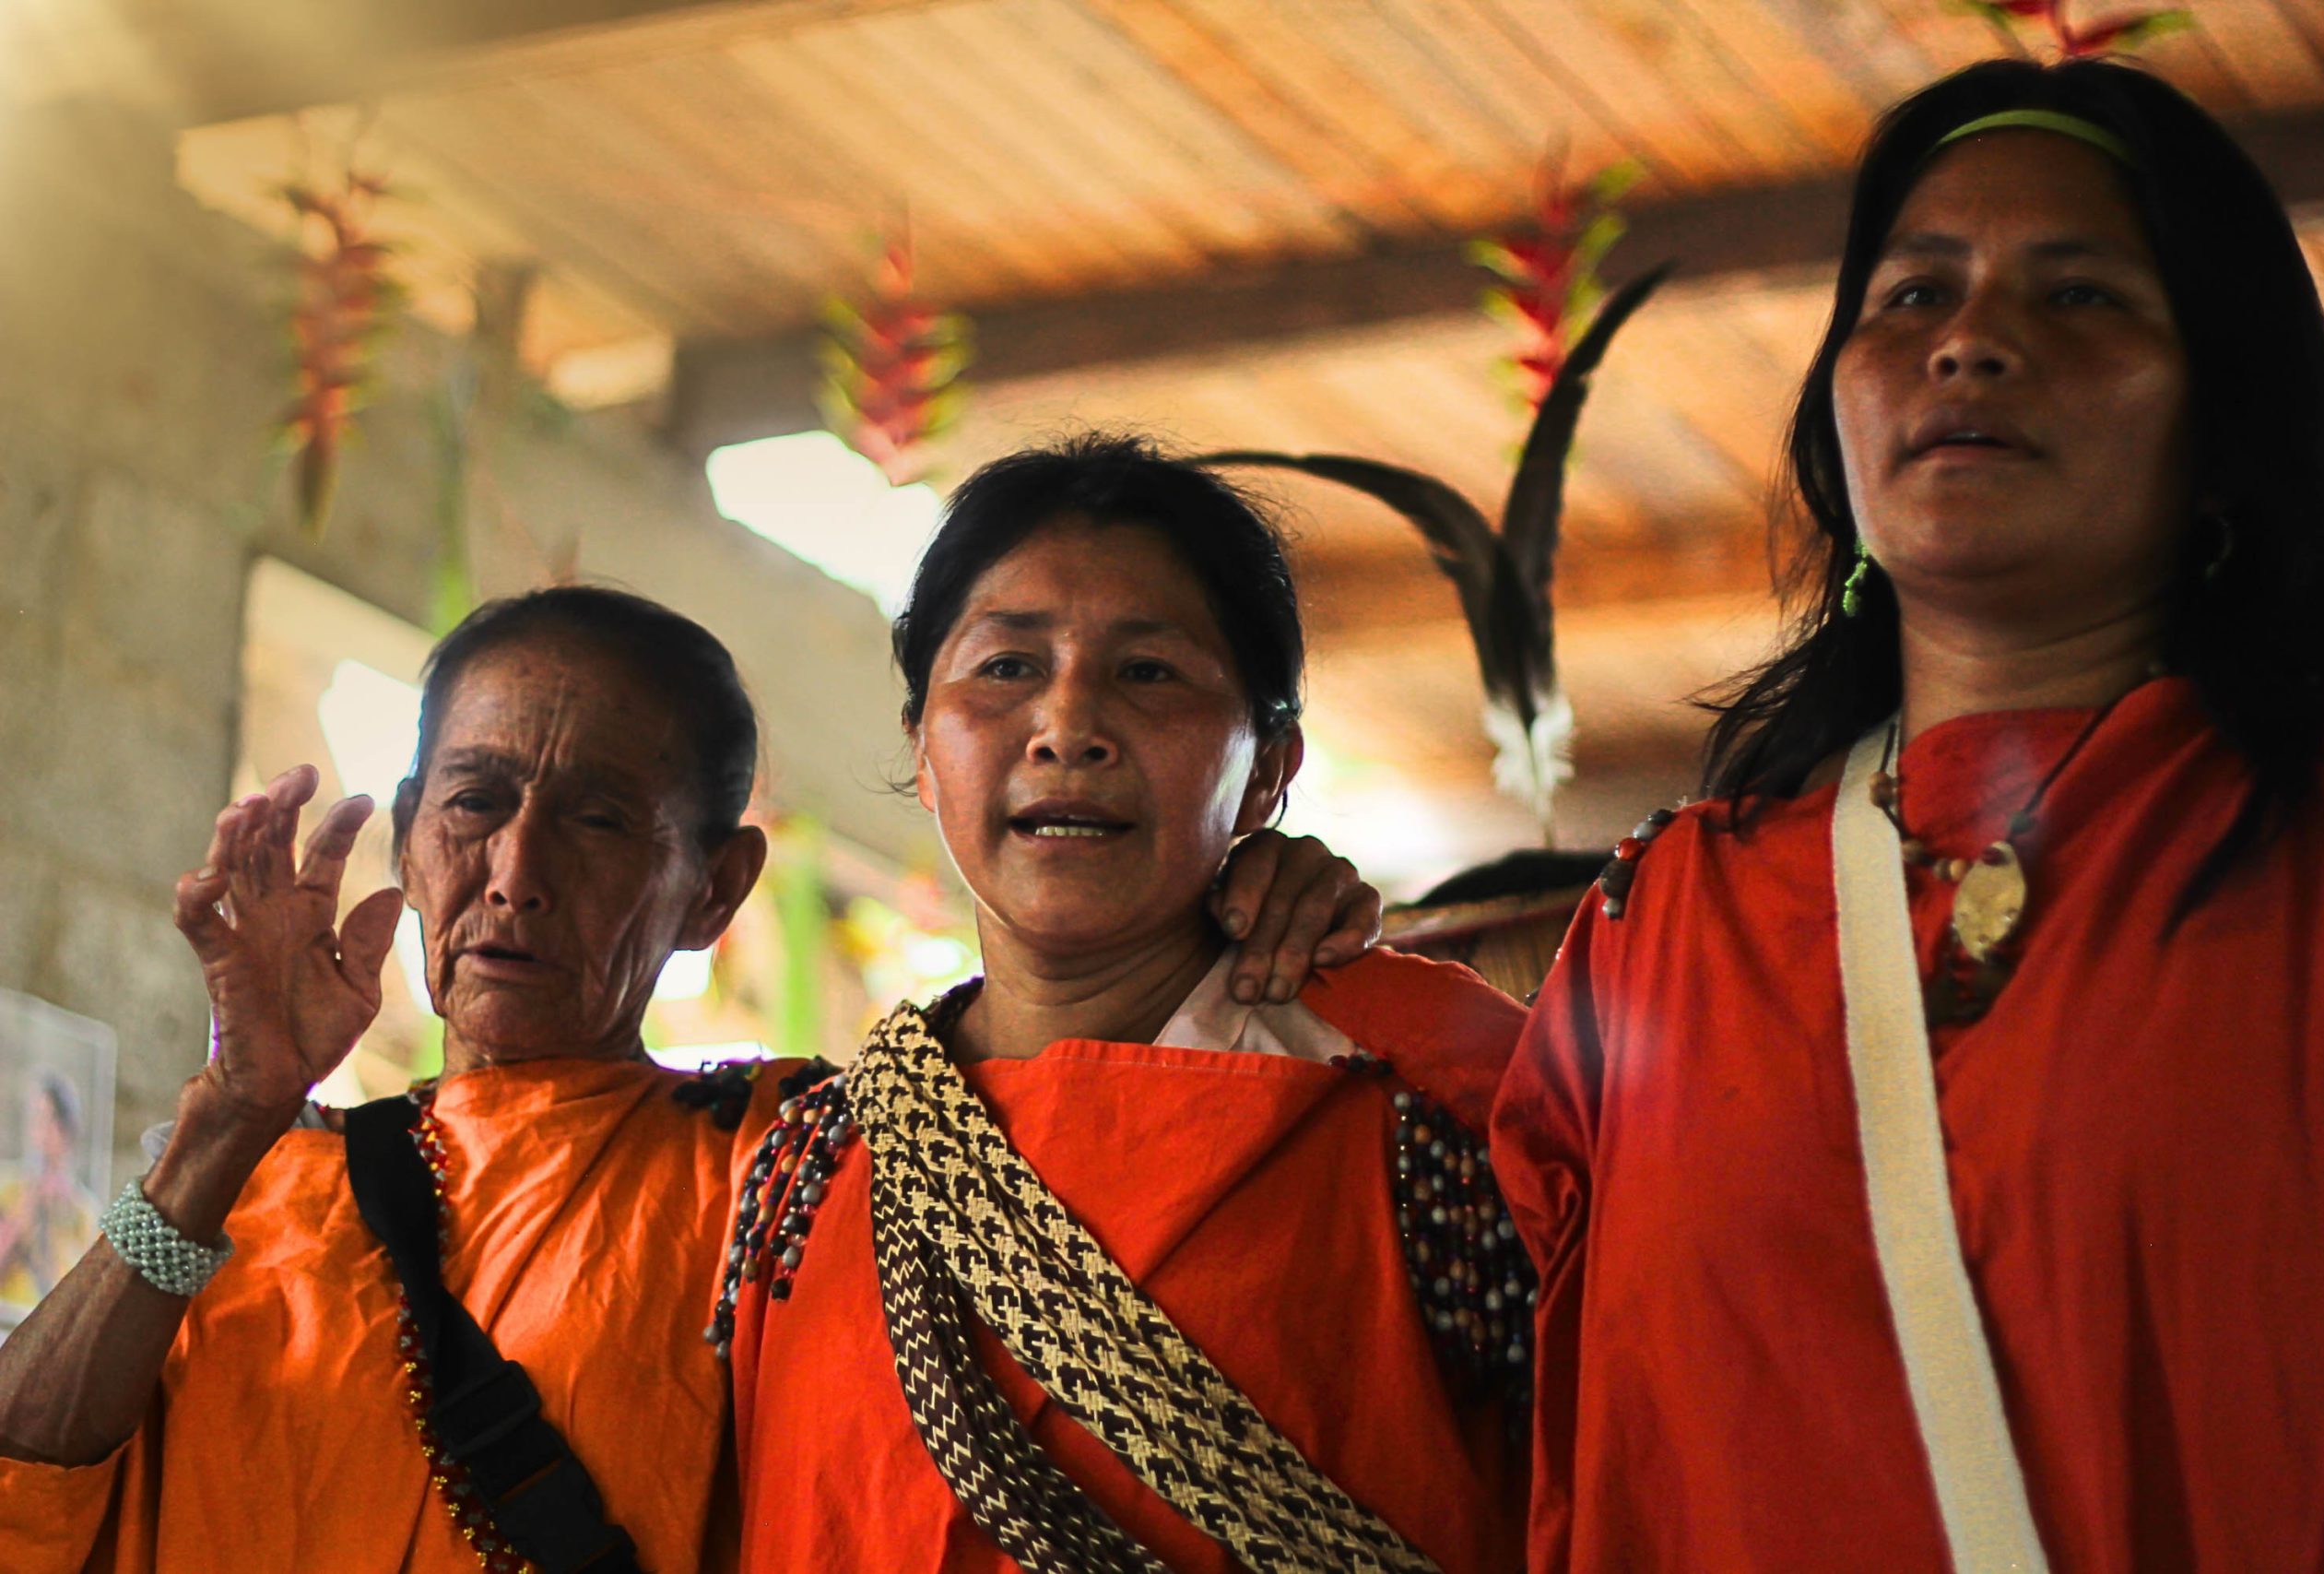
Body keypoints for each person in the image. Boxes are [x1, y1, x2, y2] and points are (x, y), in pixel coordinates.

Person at [0, 585, 1375, 1573]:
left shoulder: (792, 1166)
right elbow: (26, 1478)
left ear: (714, 887)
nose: (517, 871)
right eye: (474, 801)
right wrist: (223, 1124)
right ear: (411, 835)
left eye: (600, 818)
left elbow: (1093, 1113)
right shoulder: (256, 1190)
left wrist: (1227, 896)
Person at [1492, 57, 2324, 1572]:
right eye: (1909, 298)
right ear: (1836, 421)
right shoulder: (1665, 926)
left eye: (2080, 295)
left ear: (2224, 429)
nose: (1969, 342)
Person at [719, 435, 1535, 1572]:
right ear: (920, 742)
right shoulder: (803, 1168)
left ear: (1268, 767)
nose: (1066, 726)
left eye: (1148, 672)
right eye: (1005, 667)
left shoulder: (1434, 1126)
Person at [0, 1074, 101, 1309]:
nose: (44, 1132)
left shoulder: (83, 1210)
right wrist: (26, 1210)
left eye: (53, 1121)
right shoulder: (9, 1188)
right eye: (39, 1120)